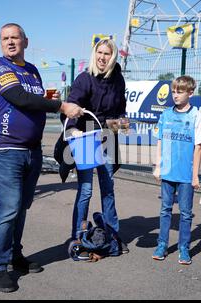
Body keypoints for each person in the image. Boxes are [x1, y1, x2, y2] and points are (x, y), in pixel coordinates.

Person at [0, 23, 83, 293]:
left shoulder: (32, 71)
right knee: (8, 207)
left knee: (22, 206)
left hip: (32, 150)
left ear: (26, 42)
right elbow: (19, 98)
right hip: (6, 149)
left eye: (15, 37)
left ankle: (15, 256)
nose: (10, 42)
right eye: (5, 38)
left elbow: (31, 96)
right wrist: (61, 105)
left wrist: (67, 98)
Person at [65, 38, 130, 260]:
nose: (102, 57)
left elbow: (121, 108)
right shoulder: (84, 79)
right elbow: (72, 105)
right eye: (99, 53)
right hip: (86, 135)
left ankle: (112, 236)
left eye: (107, 54)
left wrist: (123, 120)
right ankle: (77, 236)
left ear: (113, 57)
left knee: (108, 189)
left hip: (107, 133)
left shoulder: (117, 79)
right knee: (86, 190)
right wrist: (73, 129)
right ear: (95, 54)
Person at [152, 75, 201, 265]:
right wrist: (158, 166)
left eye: (180, 91)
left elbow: (198, 147)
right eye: (174, 91)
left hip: (185, 175)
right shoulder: (166, 114)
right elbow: (160, 141)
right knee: (165, 210)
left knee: (185, 213)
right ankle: (162, 245)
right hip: (167, 172)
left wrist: (195, 176)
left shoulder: (197, 115)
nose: (175, 95)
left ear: (190, 93)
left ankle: (184, 248)